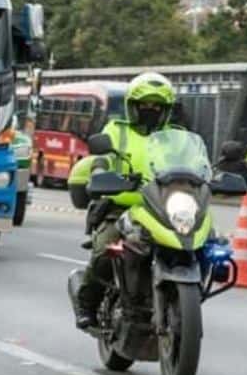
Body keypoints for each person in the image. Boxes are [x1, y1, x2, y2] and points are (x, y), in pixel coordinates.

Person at [73, 71, 176, 330]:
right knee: (106, 251)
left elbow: (195, 167)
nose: (150, 110)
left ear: (166, 110)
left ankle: (180, 299)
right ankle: (87, 303)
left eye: (156, 106)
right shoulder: (116, 131)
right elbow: (102, 159)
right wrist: (99, 173)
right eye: (144, 105)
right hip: (120, 208)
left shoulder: (176, 137)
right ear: (133, 107)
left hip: (165, 210)